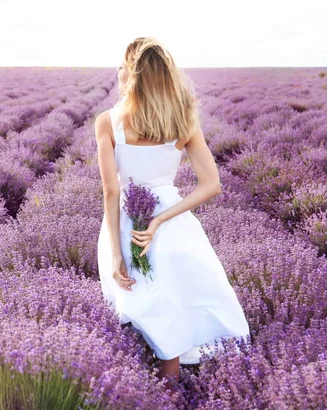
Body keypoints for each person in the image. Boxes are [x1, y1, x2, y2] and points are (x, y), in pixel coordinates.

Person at [95, 37, 250, 394]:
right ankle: (172, 388)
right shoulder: (182, 121)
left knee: (143, 301)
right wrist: (163, 218)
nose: (117, 71)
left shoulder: (108, 123)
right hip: (172, 219)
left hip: (126, 223)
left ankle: (153, 390)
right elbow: (211, 184)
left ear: (133, 76)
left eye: (122, 65)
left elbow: (111, 190)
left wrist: (118, 251)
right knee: (173, 299)